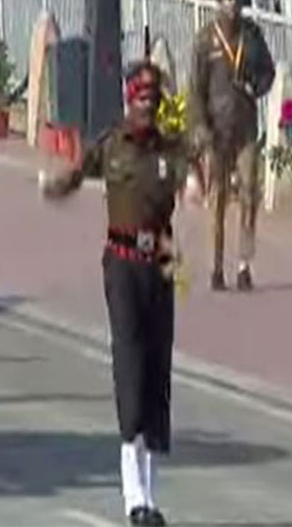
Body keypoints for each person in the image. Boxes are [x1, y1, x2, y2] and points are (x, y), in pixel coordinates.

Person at [43, 63, 190, 527]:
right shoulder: (112, 146)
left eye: (154, 99)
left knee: (155, 370)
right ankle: (133, 498)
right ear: (130, 100)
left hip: (161, 262)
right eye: (141, 97)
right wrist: (56, 185)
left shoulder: (170, 152)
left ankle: (151, 494)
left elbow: (189, 188)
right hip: (122, 265)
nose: (147, 104)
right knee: (130, 364)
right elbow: (77, 172)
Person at [187, 0, 275, 292]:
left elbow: (269, 71)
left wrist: (257, 86)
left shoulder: (252, 36)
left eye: (237, 0)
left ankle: (244, 265)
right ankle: (215, 267)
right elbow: (195, 89)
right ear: (217, 3)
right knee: (218, 197)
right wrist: (199, 127)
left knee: (250, 192)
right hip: (216, 130)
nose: (233, 6)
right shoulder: (205, 40)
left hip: (246, 128)